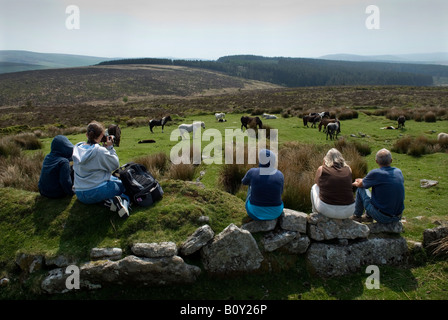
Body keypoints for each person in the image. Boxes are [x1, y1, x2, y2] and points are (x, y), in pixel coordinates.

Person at [72, 121, 130, 217]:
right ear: (102, 135)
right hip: (96, 192)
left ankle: (108, 201)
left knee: (113, 179)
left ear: (86, 135)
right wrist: (110, 148)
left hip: (80, 193)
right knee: (125, 185)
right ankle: (123, 201)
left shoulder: (77, 148)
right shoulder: (99, 151)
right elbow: (115, 164)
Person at [351, 148, 404, 223]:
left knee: (361, 189)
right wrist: (363, 181)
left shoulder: (376, 173)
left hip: (383, 217)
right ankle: (368, 216)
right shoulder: (398, 172)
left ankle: (357, 216)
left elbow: (360, 185)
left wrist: (356, 182)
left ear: (376, 161)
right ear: (391, 160)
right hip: (398, 216)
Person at [310, 148, 355, 219]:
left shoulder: (321, 169)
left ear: (326, 158)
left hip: (327, 210)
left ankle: (315, 213)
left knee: (314, 187)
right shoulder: (348, 169)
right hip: (348, 211)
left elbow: (317, 183)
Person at [241, 149, 284, 221]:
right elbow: (281, 192)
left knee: (250, 185)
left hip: (254, 213)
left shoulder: (252, 171)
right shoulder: (280, 174)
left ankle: (256, 205)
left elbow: (243, 182)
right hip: (276, 213)